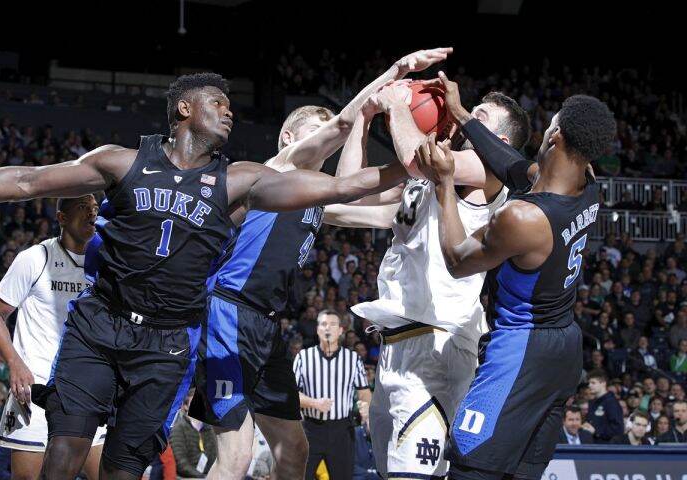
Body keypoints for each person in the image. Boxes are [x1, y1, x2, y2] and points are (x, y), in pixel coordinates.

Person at [0, 72, 407, 479]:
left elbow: (351, 186)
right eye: (218, 102)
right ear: (185, 109)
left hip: (184, 337)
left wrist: (424, 160)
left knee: (133, 468)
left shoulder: (257, 185)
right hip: (141, 320)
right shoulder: (136, 164)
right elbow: (27, 180)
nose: (230, 110)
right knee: (69, 454)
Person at [195, 48, 451, 480]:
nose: (325, 142)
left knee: (294, 450)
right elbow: (342, 125)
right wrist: (393, 75)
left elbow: (385, 211)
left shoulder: (318, 202)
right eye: (316, 133)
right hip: (228, 313)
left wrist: (429, 152)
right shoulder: (274, 170)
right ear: (290, 140)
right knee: (235, 458)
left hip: (266, 327)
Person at [415, 71, 615, 479]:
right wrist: (461, 113)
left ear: (555, 136)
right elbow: (513, 166)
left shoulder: (523, 217)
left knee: (471, 466)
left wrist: (444, 182)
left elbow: (457, 259)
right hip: (564, 347)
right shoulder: (587, 184)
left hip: (522, 348)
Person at [326, 81, 529, 478]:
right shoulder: (427, 179)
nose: (462, 115)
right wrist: (364, 121)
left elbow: (418, 159)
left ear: (498, 141)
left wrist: (398, 106)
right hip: (397, 346)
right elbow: (347, 194)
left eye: (479, 118)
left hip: (439, 345)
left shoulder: (488, 173)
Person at [0, 195, 107, 480]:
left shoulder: (105, 263)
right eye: (82, 208)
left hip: (88, 390)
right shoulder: (35, 258)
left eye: (95, 209)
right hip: (35, 387)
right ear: (62, 218)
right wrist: (15, 363)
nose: (91, 214)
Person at [293, 309, 371, 479]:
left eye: (333, 324)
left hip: (342, 431)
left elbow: (364, 393)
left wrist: (366, 409)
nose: (328, 328)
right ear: (317, 329)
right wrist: (314, 403)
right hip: (310, 430)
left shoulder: (353, 359)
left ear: (341, 330)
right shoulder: (303, 358)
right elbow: (291, 395)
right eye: (323, 324)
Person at [584, 370, 624, 443]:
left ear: (603, 383)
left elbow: (618, 429)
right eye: (589, 383)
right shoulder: (592, 403)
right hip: (591, 445)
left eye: (593, 383)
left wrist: (597, 432)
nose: (589, 385)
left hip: (606, 448)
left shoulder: (611, 403)